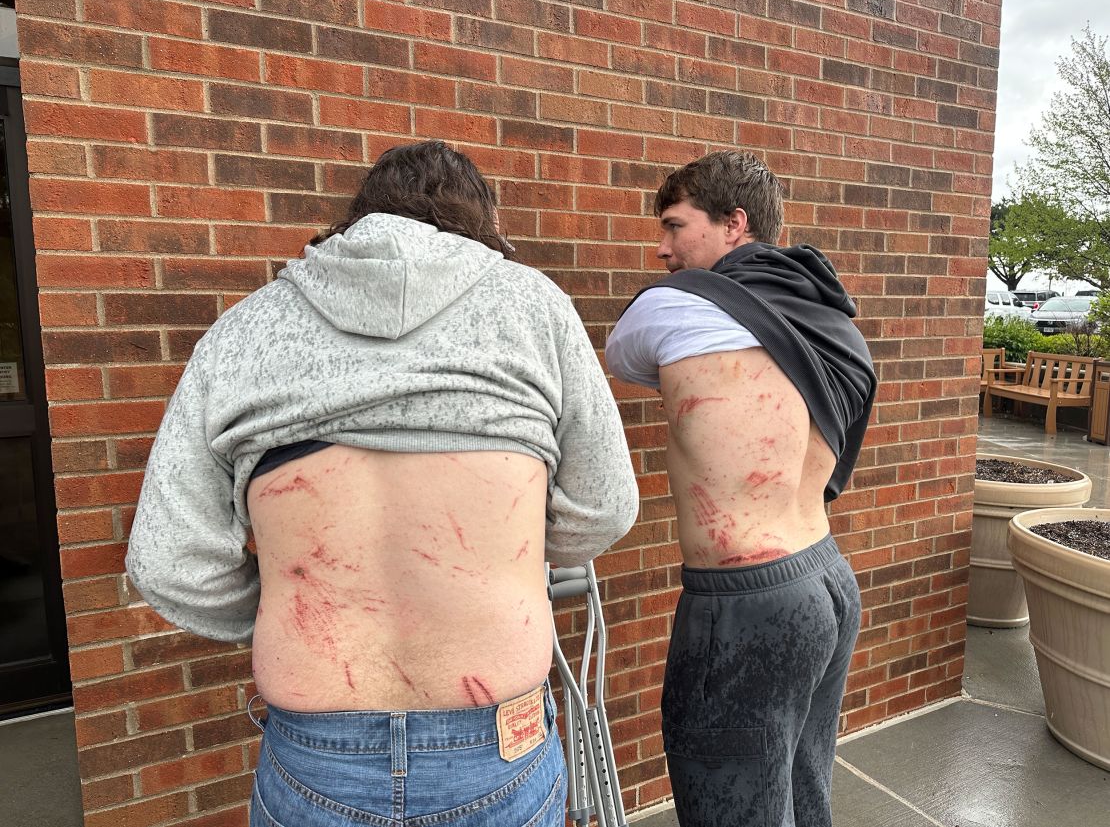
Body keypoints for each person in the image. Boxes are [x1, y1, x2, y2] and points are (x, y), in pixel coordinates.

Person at [126, 140, 639, 827]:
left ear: (358, 217)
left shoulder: (243, 332)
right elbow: (606, 505)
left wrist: (295, 608)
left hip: (316, 758)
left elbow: (167, 560)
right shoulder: (535, 310)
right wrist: (500, 556)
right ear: (481, 226)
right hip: (498, 750)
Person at [605, 150, 876, 827]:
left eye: (675, 226)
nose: (662, 248)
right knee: (803, 793)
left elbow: (624, 353)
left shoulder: (675, 309)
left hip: (746, 604)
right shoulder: (833, 320)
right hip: (827, 579)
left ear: (735, 223)